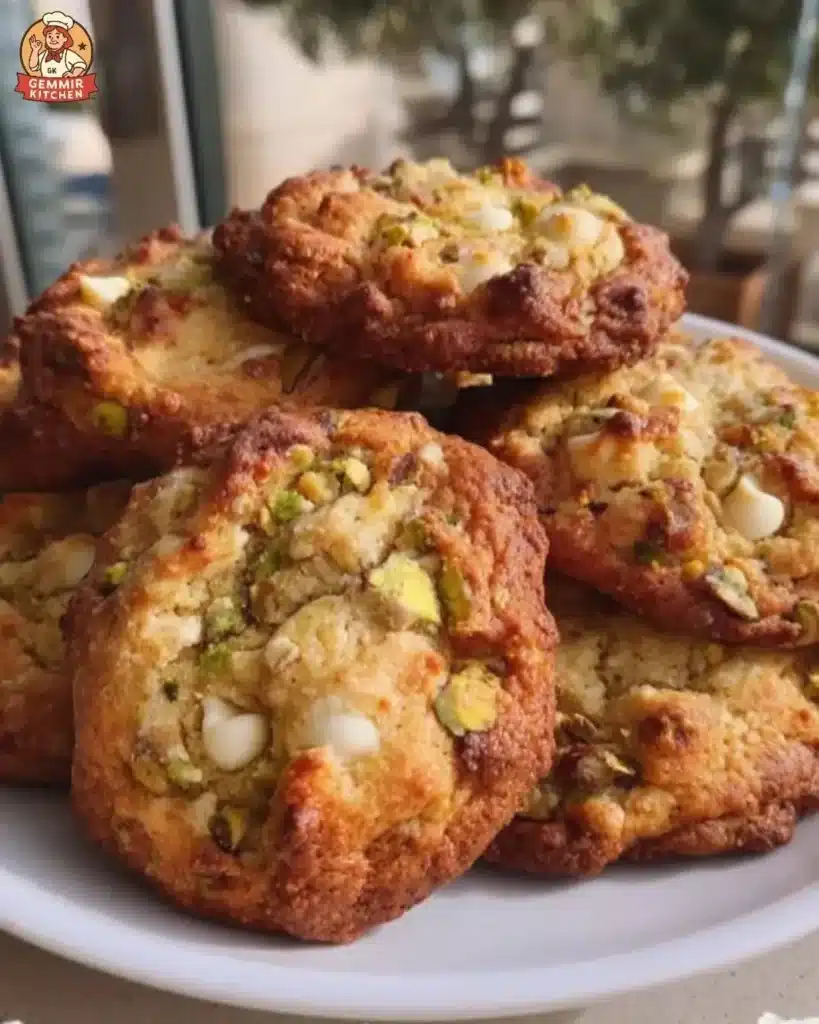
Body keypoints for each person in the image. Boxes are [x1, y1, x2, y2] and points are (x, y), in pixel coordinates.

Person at [28, 11, 87, 79]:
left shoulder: (67, 54)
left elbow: (80, 65)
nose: (53, 40)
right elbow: (33, 67)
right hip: (46, 88)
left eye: (57, 36)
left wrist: (73, 74)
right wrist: (35, 51)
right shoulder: (44, 54)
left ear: (65, 38)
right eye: (49, 36)